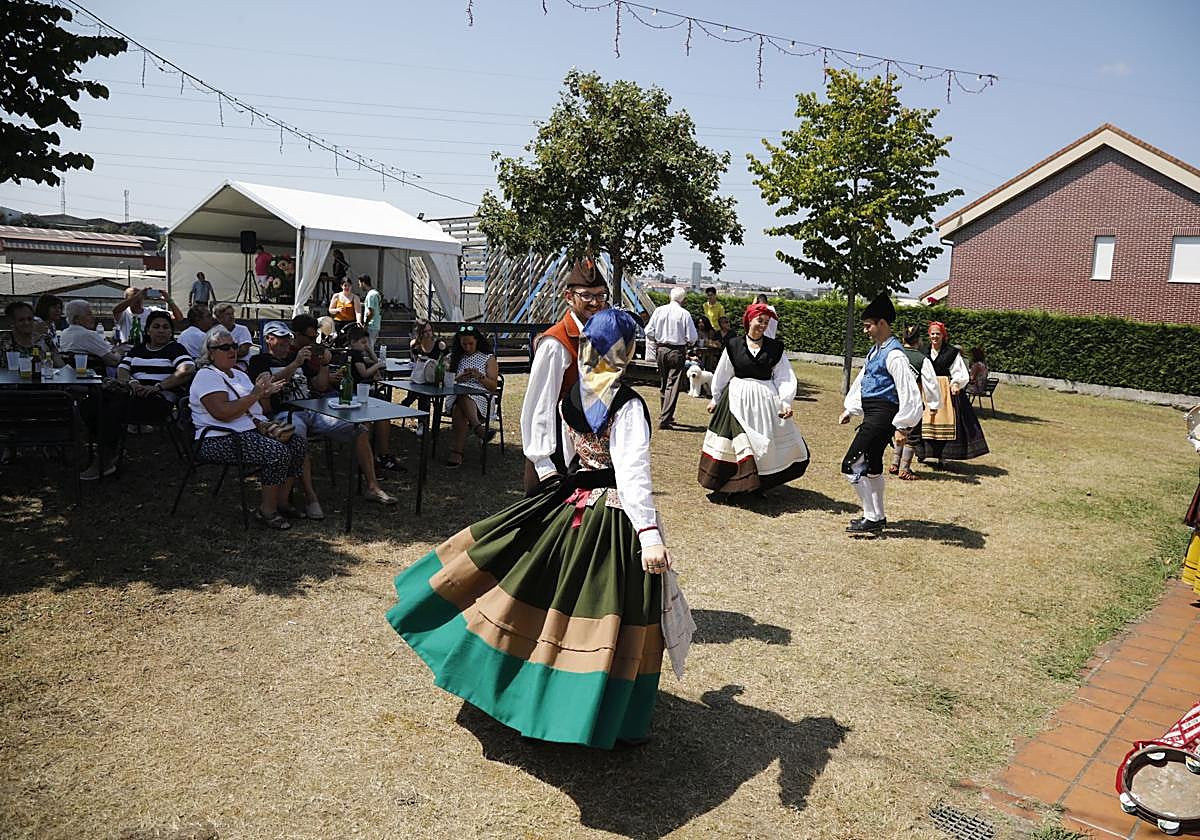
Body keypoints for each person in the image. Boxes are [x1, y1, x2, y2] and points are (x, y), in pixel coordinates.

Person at [385, 307, 672, 749]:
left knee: (545, 604)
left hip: (571, 502)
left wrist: (555, 481)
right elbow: (632, 474)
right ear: (627, 351)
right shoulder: (626, 404)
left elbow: (563, 454)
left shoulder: (573, 398)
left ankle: (530, 692)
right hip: (611, 517)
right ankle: (591, 711)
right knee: (608, 615)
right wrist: (648, 535)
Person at [248, 321, 397, 509]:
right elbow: (264, 385)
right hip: (284, 413)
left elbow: (320, 386)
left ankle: (373, 487)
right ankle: (311, 498)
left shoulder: (297, 356)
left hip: (312, 409)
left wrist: (324, 363)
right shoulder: (259, 361)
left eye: (288, 340)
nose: (287, 344)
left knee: (359, 429)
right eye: (281, 340)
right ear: (269, 339)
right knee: (299, 443)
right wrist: (295, 364)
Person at [189, 326, 307, 529]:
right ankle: (267, 510)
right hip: (217, 438)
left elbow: (262, 409)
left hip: (249, 431)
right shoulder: (207, 376)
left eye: (233, 345)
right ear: (210, 352)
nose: (231, 350)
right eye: (224, 347)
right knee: (276, 452)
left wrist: (266, 393)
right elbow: (223, 413)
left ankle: (282, 502)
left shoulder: (239, 374)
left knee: (297, 444)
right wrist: (255, 394)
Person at [698, 302, 809, 499]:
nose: (763, 325)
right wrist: (715, 398)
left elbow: (784, 377)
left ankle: (756, 486)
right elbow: (723, 373)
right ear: (749, 320)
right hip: (735, 399)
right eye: (760, 320)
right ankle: (731, 486)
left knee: (762, 444)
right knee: (736, 444)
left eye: (766, 322)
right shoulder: (733, 345)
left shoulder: (775, 348)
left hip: (765, 401)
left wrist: (785, 402)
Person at [521, 259, 608, 492]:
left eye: (600, 296)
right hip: (557, 444)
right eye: (587, 296)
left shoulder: (599, 334)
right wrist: (543, 463)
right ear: (569, 297)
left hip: (586, 444)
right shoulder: (555, 343)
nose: (595, 303)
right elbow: (540, 404)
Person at [838, 294, 922, 536]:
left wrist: (902, 426)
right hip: (874, 413)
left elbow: (908, 392)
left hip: (883, 416)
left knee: (851, 465)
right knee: (873, 467)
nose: (866, 330)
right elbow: (863, 379)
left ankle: (871, 516)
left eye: (868, 325)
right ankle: (877, 516)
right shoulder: (876, 351)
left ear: (882, 323)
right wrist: (851, 408)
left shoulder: (894, 354)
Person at [912, 322, 989, 467]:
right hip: (926, 390)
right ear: (929, 336)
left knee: (944, 422)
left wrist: (956, 384)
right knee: (923, 421)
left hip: (945, 390)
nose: (935, 336)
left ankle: (943, 456)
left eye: (938, 334)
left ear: (943, 335)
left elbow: (959, 372)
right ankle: (922, 453)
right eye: (932, 334)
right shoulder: (923, 351)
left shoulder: (951, 352)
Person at [114, 309, 195, 436]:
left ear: (170, 332)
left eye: (166, 327)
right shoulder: (138, 349)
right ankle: (108, 446)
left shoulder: (175, 349)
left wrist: (157, 387)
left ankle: (112, 445)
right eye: (156, 327)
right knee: (96, 403)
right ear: (148, 330)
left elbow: (187, 369)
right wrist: (133, 383)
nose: (161, 330)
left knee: (111, 407)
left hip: (160, 398)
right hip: (133, 392)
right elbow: (122, 368)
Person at [346, 324, 403, 473]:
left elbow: (374, 361)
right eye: (362, 343)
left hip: (365, 390)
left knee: (382, 410)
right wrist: (377, 365)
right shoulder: (355, 354)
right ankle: (371, 455)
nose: (365, 345)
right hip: (359, 392)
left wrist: (370, 350)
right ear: (353, 342)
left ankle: (379, 455)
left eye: (366, 342)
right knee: (369, 418)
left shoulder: (359, 353)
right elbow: (364, 373)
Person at [888, 325, 941, 481]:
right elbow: (931, 384)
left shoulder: (894, 355)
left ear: (903, 339)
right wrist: (933, 404)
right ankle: (904, 469)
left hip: (893, 400)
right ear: (918, 341)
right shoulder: (922, 359)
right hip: (912, 402)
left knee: (898, 430)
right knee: (912, 435)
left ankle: (894, 463)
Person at [444, 324, 499, 468]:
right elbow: (445, 380)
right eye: (464, 344)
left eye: (470, 344)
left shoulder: (488, 358)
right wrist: (458, 378)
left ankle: (457, 452)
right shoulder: (454, 357)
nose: (467, 347)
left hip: (481, 397)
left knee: (460, 406)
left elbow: (493, 386)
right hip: (457, 393)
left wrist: (479, 376)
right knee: (461, 397)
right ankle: (479, 429)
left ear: (477, 341)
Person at [644, 286, 697, 430]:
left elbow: (648, 331)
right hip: (677, 351)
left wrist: (657, 339)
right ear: (683, 300)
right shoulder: (684, 314)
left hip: (661, 349)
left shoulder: (659, 310)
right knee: (672, 385)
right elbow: (692, 337)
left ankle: (665, 413)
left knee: (664, 381)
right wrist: (688, 343)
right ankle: (665, 418)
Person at [58, 299, 121, 369]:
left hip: (72, 374)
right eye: (89, 314)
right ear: (76, 319)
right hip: (94, 376)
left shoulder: (64, 333)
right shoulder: (87, 335)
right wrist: (119, 351)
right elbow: (113, 361)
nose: (93, 317)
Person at [1, 301, 63, 367]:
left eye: (30, 319)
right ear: (12, 322)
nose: (27, 323)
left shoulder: (45, 340)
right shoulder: (3, 342)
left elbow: (61, 366)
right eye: (21, 320)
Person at [112, 286, 181, 344]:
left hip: (149, 349)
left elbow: (179, 318)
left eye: (140, 296)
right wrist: (137, 296)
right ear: (127, 300)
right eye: (134, 296)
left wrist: (169, 300)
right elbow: (116, 310)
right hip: (128, 349)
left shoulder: (151, 311)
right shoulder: (124, 313)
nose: (138, 299)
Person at [359, 275, 384, 348]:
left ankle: (373, 359)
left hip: (371, 325)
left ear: (363, 283)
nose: (359, 286)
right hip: (376, 324)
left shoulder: (370, 295)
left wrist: (365, 325)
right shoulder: (375, 293)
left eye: (360, 284)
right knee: (370, 347)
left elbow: (371, 312)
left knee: (368, 348)